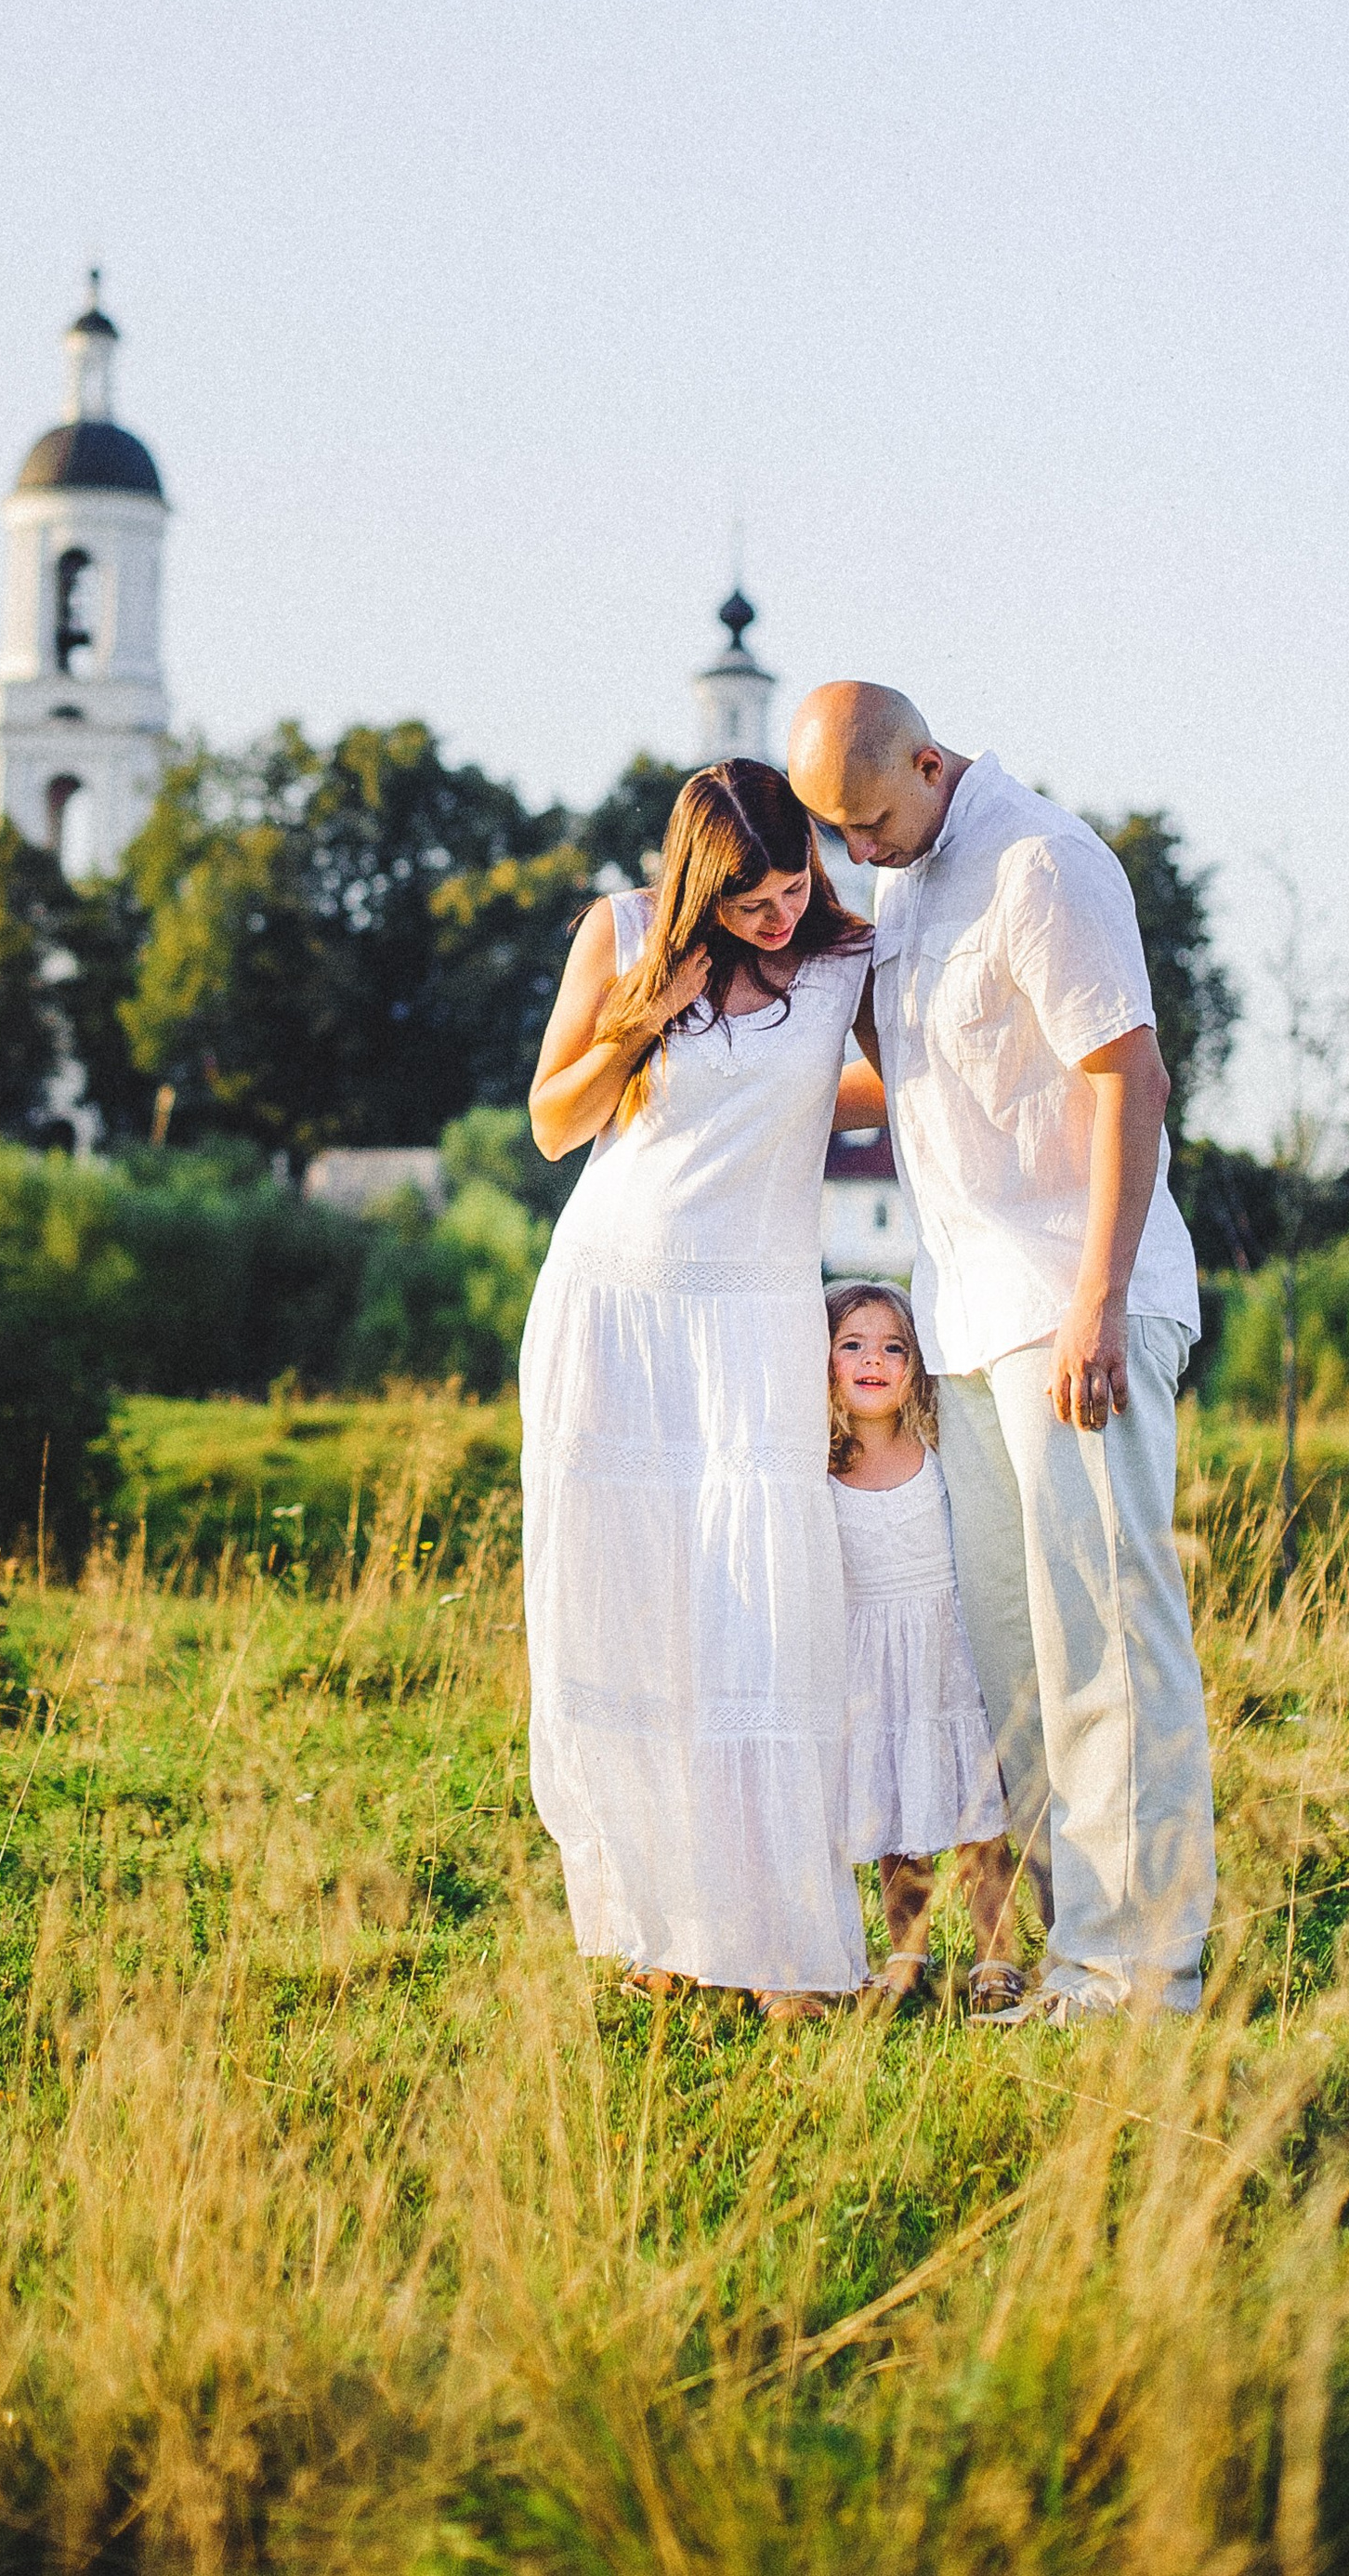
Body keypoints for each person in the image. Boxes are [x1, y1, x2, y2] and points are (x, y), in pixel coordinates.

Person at [786, 683, 1216, 2022]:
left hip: (1069, 1307)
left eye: (870, 819)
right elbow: (910, 1079)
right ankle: (1075, 1947)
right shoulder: (913, 882)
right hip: (964, 1321)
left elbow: (1128, 1076)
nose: (862, 850)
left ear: (929, 759)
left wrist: (1095, 1297)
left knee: (1106, 1640)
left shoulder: (1043, 864)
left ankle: (1140, 1974)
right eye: (836, 834)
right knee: (1014, 1661)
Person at [519, 759, 874, 2022]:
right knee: (633, 1616)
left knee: (766, 1624)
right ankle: (660, 1927)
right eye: (753, 901)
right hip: (614, 1303)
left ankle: (782, 1947)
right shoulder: (618, 929)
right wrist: (640, 1011)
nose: (779, 914)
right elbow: (556, 1121)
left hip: (753, 1313)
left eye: (794, 886)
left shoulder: (848, 960)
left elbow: (915, 1087)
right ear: (694, 884)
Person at [824, 1279, 1026, 2016]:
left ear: (916, 1365)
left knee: (977, 1818)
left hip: (945, 1654)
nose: (873, 1359)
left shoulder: (939, 1450)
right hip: (872, 1662)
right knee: (893, 1814)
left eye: (893, 1346)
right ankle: (907, 1950)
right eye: (852, 1344)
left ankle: (996, 1952)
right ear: (824, 1362)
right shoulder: (820, 1466)